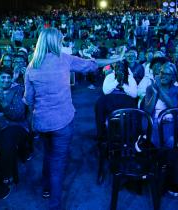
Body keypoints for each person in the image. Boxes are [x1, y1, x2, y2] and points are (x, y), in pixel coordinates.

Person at [23, 27, 124, 210]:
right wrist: (116, 59)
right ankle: (55, 204)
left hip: (42, 122)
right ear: (55, 42)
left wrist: (33, 119)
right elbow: (92, 64)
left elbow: (29, 99)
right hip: (62, 121)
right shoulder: (64, 59)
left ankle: (46, 188)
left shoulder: (31, 66)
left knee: (48, 153)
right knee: (58, 162)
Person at [0, 65, 30, 199]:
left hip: (17, 126)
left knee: (6, 143)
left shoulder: (18, 90)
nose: (6, 80)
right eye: (2, 77)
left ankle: (6, 179)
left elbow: (18, 114)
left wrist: (3, 104)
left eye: (8, 77)